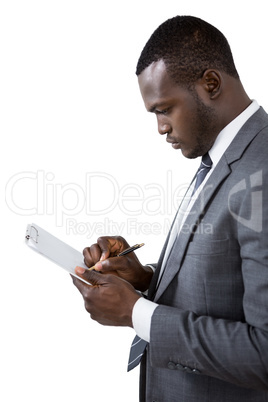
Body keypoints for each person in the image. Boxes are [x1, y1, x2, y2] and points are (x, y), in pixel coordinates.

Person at [72, 16, 268, 401]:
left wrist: (137, 314)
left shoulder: (261, 169)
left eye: (164, 109)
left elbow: (263, 351)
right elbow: (224, 282)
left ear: (210, 84)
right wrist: (144, 278)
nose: (161, 128)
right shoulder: (222, 157)